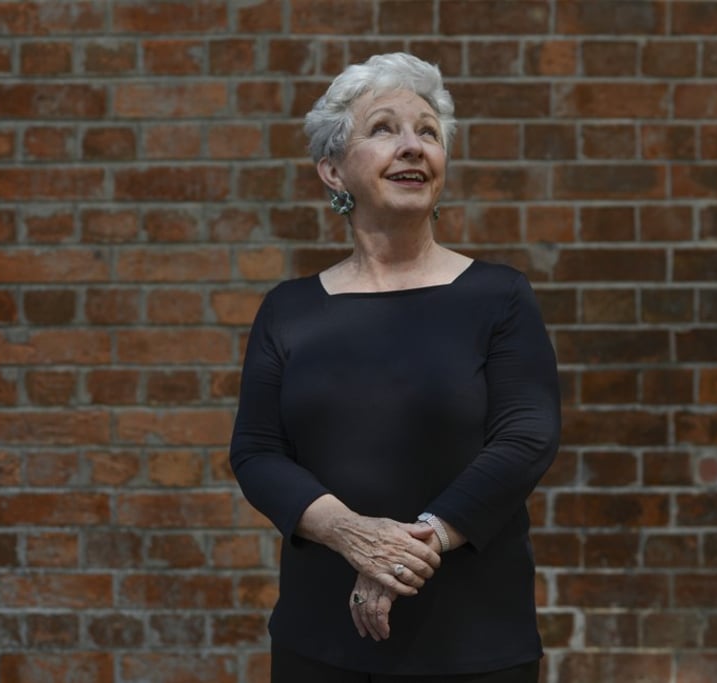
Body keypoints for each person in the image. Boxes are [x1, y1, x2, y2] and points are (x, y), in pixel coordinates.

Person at [229, 52, 560, 683]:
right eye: (383, 129)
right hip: (320, 639)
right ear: (332, 170)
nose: (412, 147)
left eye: (428, 133)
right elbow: (257, 452)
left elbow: (525, 438)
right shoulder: (289, 310)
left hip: (474, 640)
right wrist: (351, 534)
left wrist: (411, 548)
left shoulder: (499, 296)